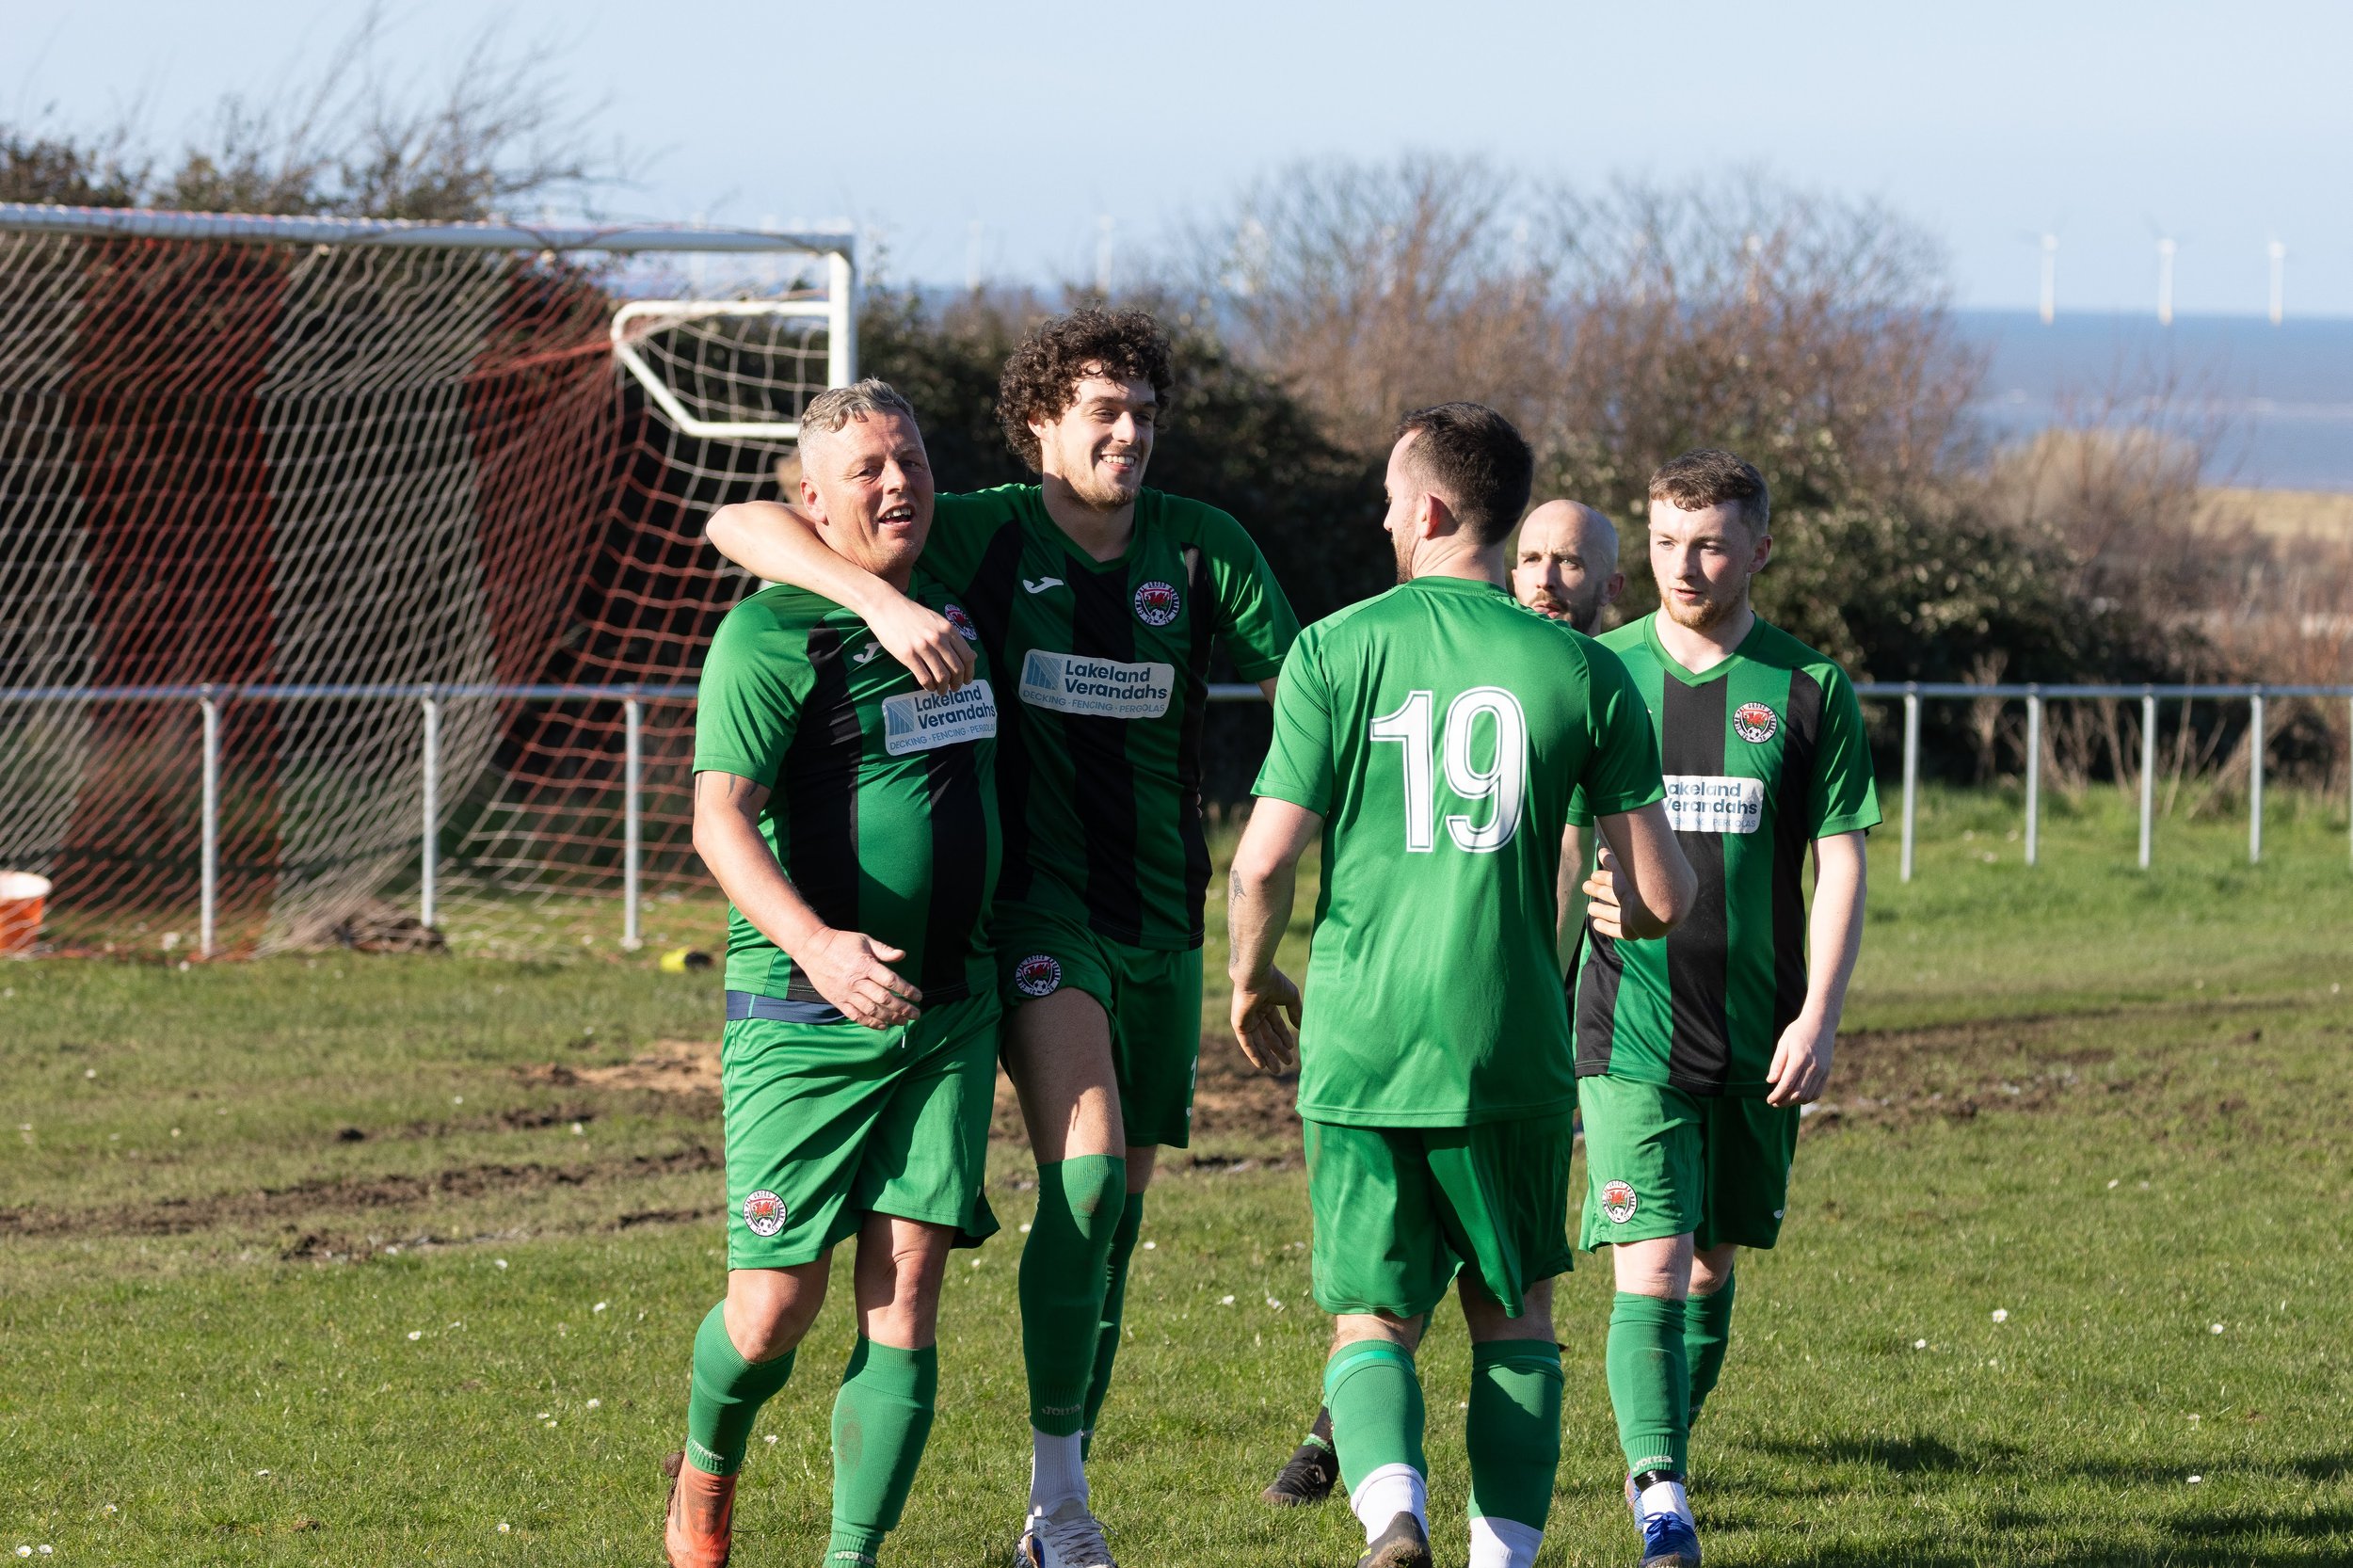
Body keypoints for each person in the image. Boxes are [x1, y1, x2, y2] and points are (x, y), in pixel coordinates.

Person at [704, 309, 1298, 1568]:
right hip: (1033, 922)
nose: (1129, 433)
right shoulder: (979, 529)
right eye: (1103, 410)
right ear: (1040, 425)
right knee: (1077, 1177)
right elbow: (742, 523)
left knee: (1114, 1227)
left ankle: (1053, 1499)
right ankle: (1062, 1512)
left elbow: (1310, 687)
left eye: (1145, 411)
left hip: (1160, 920)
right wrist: (867, 587)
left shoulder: (1202, 551)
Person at [1225, 404, 1695, 1568]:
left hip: (1363, 1038)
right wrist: (1622, 908)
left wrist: (1247, 979)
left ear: (1427, 510)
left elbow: (1262, 859)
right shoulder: (1584, 668)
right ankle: (1502, 1560)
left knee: (1371, 1318)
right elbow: (1666, 894)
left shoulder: (1334, 648)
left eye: (1391, 501)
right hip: (1509, 1042)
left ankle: (1391, 1510)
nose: (1386, 518)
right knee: (1516, 1325)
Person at [665, 380, 1006, 1568]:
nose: (898, 482)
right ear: (814, 500)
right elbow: (718, 823)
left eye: (909, 457)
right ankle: (706, 1468)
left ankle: (849, 1558)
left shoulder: (963, 584)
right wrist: (817, 944)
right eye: (866, 469)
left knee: (905, 1297)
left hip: (950, 1014)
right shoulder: (770, 635)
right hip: (802, 1015)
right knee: (770, 1315)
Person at [1260, 493, 1628, 1512]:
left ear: (1611, 584)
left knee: (1404, 1284)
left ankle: (1364, 1463)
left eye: (1572, 565)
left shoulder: (1596, 677)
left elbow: (1261, 864)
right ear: (1509, 560)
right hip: (1486, 1015)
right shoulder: (1538, 668)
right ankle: (1352, 1443)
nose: (1550, 580)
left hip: (1472, 1015)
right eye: (1537, 559)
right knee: (1493, 1297)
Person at [1572, 448, 1880, 1567]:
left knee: (1713, 1264)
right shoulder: (1597, 672)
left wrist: (1821, 1014)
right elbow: (1558, 848)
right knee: (1651, 1258)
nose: (1683, 564)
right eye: (1661, 541)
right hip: (1626, 1027)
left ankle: (1662, 1451)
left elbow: (1839, 862)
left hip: (1760, 1030)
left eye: (1707, 542)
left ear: (1760, 547)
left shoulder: (1809, 688)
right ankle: (1659, 1497)